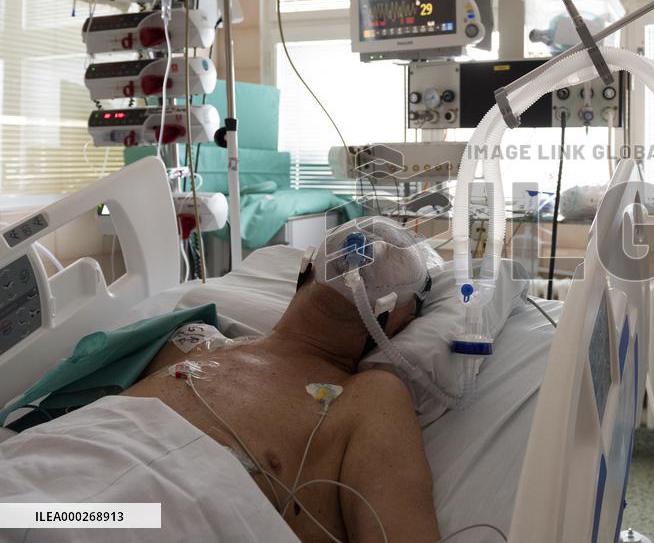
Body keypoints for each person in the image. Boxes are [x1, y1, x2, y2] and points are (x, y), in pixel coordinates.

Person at [124, 217, 441, 543]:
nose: (366, 258)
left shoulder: (370, 398)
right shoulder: (194, 339)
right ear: (398, 319)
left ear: (305, 270)